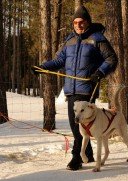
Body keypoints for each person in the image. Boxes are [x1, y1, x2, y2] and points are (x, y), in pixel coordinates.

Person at [31, 6, 118, 171]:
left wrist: (99, 72)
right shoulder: (69, 40)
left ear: (87, 22)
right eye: (75, 22)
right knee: (77, 125)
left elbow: (111, 58)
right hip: (71, 89)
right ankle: (89, 154)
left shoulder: (97, 38)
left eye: (81, 22)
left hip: (87, 88)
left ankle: (76, 157)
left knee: (78, 124)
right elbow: (58, 61)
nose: (78, 25)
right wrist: (41, 67)